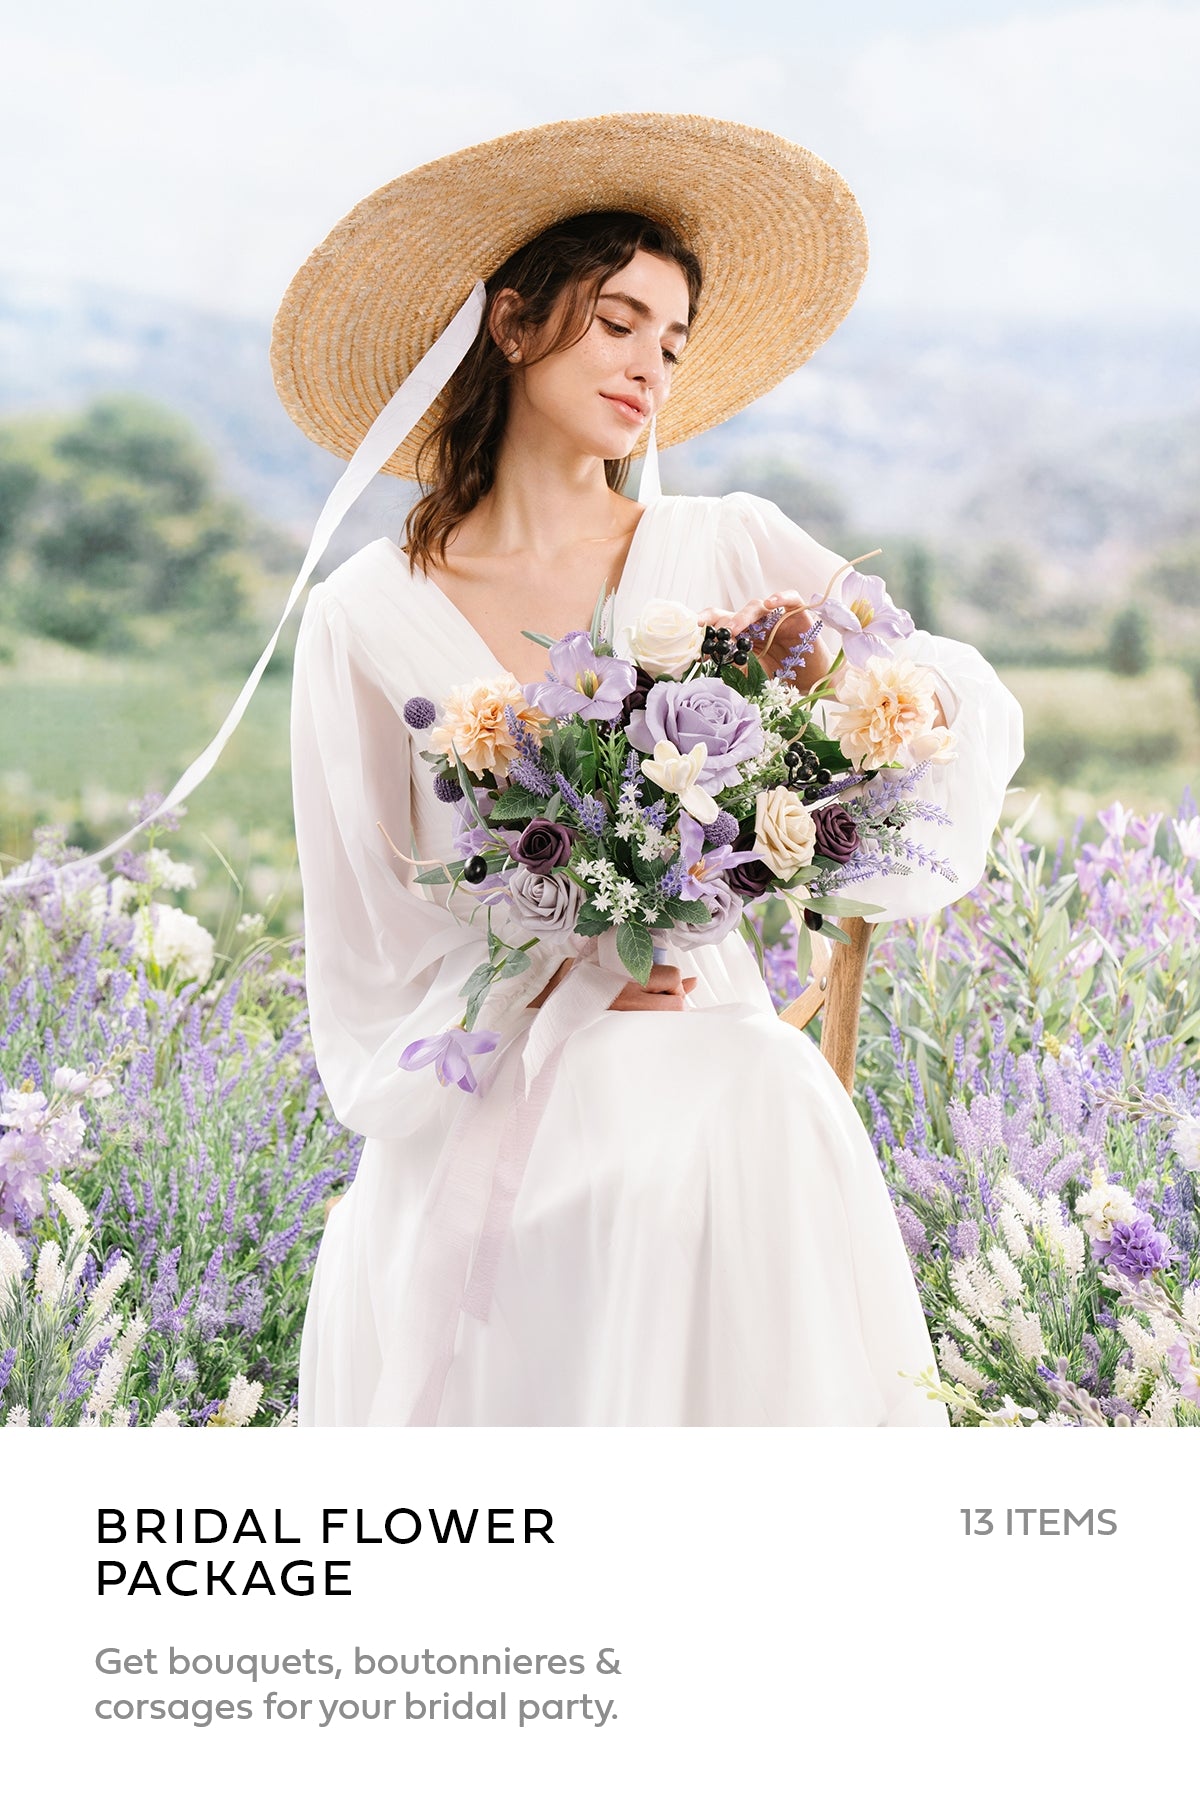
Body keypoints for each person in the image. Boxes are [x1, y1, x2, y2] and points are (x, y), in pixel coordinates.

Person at [279, 114, 1025, 1426]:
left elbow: (941, 692)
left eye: (671, 343)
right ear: (512, 323)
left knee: (740, 1128)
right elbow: (363, 919)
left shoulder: (724, 545)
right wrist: (544, 948)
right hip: (493, 1080)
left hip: (714, 1061)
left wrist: (794, 817)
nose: (649, 368)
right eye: (619, 321)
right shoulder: (360, 616)